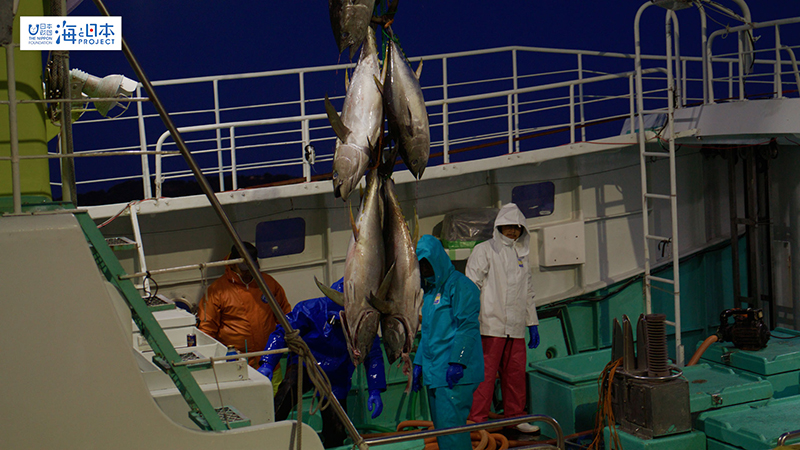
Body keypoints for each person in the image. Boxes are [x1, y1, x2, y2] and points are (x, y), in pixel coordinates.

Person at [258, 277, 386, 448]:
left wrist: (375, 389)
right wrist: (267, 362)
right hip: (305, 364)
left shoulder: (363, 323)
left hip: (337, 375)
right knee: (286, 393)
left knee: (336, 429)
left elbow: (373, 355)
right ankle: (262, 438)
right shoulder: (309, 309)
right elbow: (282, 332)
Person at [465, 203, 541, 434]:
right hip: (490, 326)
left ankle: (515, 417)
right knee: (484, 376)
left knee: (515, 375)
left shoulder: (522, 255)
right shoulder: (484, 250)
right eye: (508, 226)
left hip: (515, 328)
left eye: (517, 227)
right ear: (499, 226)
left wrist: (532, 323)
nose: (512, 231)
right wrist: (469, 321)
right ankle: (476, 421)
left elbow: (528, 291)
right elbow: (471, 286)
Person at [412, 234, 484, 450]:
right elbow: (428, 332)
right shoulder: (430, 293)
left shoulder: (461, 286)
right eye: (420, 265)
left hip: (454, 375)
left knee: (452, 433)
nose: (424, 269)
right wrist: (418, 364)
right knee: (443, 431)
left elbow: (468, 326)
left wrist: (458, 362)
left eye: (427, 263)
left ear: (438, 259)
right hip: (436, 373)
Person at [197, 242, 292, 369]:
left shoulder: (268, 284)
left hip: (269, 362)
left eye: (251, 267)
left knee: (274, 383)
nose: (248, 272)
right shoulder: (217, 291)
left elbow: (285, 317)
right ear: (233, 264)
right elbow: (206, 329)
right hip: (235, 364)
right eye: (244, 268)